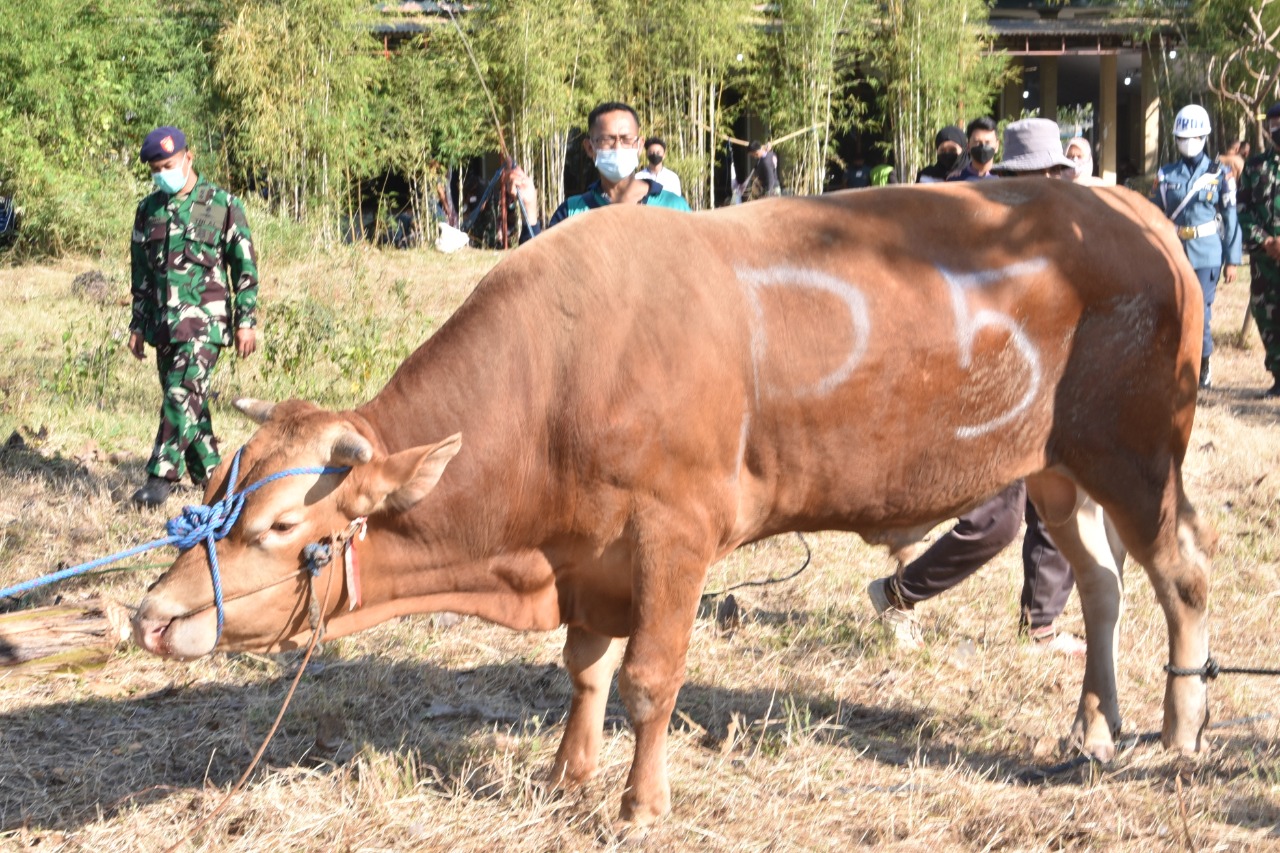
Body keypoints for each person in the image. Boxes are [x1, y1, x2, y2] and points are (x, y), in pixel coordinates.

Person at [868, 118, 1083, 656]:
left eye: (1053, 174)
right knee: (997, 522)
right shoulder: (981, 232)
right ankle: (896, 593)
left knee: (1057, 510)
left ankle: (1040, 626)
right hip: (992, 392)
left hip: (1052, 388)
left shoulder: (1067, 233)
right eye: (1037, 175)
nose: (1048, 184)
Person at [129, 126, 259, 508]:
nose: (161, 174)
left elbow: (245, 268)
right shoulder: (148, 210)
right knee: (191, 404)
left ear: (189, 156)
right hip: (164, 326)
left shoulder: (222, 203)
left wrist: (246, 320)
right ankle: (215, 480)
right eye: (155, 169)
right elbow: (141, 276)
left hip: (206, 324)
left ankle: (159, 478)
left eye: (167, 165)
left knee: (180, 392)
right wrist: (138, 325)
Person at [1150, 104, 1241, 390]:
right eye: (1183, 138)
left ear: (1204, 138)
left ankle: (1202, 366)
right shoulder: (1165, 175)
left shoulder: (1220, 174)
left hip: (1207, 253)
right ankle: (1174, 365)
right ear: (1176, 139)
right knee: (1173, 310)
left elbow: (1230, 217)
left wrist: (1232, 260)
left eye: (1194, 137)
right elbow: (1154, 212)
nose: (1188, 143)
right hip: (1173, 252)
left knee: (1200, 312)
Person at [511, 102, 689, 238]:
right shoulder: (572, 212)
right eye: (607, 140)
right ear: (590, 148)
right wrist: (529, 210)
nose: (617, 147)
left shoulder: (673, 207)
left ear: (640, 145)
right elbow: (539, 271)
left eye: (626, 139)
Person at [1237, 102, 1280, 397]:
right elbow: (1242, 209)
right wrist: (1266, 241)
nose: (1276, 129)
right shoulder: (1254, 166)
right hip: (1264, 260)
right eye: (1273, 123)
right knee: (1266, 315)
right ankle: (1278, 376)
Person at [947, 117, 1000, 182]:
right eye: (977, 142)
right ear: (968, 146)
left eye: (988, 142)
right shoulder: (956, 180)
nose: (983, 146)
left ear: (997, 145)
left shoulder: (1004, 179)